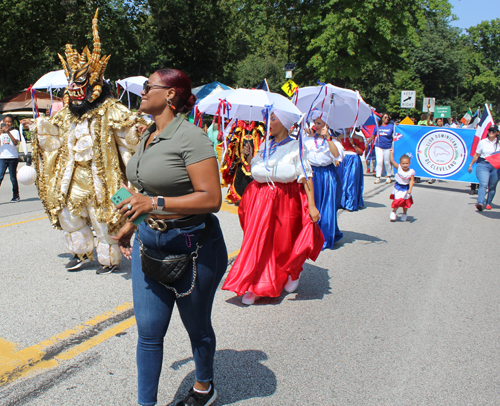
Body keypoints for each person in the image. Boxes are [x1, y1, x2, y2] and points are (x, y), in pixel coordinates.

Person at [113, 68, 227, 406]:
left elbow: (212, 199)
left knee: (197, 327)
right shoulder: (148, 134)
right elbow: (146, 187)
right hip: (150, 242)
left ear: (171, 95)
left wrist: (154, 203)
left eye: (150, 87)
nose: (143, 91)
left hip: (194, 247)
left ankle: (204, 387)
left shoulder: (192, 137)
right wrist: (133, 222)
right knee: (148, 333)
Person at [32, 10, 145, 275]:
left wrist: (137, 131)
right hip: (72, 178)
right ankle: (81, 252)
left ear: (94, 83)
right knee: (70, 217)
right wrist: (40, 129)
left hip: (104, 179)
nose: (72, 88)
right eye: (70, 82)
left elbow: (128, 141)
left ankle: (108, 258)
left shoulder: (111, 110)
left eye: (79, 82)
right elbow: (54, 141)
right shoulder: (65, 115)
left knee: (103, 219)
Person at [222, 111, 324, 305]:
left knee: (283, 243)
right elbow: (257, 169)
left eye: (273, 119)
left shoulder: (296, 146)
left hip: (286, 199)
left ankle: (291, 272)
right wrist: (252, 157)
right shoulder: (266, 145)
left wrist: (311, 205)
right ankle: (256, 285)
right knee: (259, 243)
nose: (268, 123)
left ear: (285, 123)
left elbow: (306, 176)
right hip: (260, 200)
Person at [304, 113, 344, 249]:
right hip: (311, 174)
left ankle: (324, 237)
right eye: (315, 122)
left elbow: (336, 155)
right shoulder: (307, 140)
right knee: (311, 204)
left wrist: (328, 138)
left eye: (320, 123)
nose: (316, 125)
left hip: (326, 174)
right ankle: (309, 236)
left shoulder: (334, 142)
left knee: (326, 205)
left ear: (327, 126)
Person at [468, 125, 500, 211]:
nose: (491, 132)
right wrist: (471, 164)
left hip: (496, 166)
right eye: (490, 130)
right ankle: (480, 203)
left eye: (493, 131)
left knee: (492, 186)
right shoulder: (483, 142)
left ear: (497, 132)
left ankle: (488, 203)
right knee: (483, 184)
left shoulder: (499, 142)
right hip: (483, 164)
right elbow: (477, 154)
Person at [339, 128, 365, 211]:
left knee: (352, 181)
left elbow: (360, 152)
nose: (347, 129)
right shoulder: (340, 137)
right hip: (343, 160)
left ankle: (351, 203)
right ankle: (341, 202)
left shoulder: (359, 138)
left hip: (354, 160)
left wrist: (353, 144)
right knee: (342, 181)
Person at [388, 150, 415, 221]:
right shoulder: (399, 168)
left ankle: (404, 214)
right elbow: (393, 161)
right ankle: (393, 211)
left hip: (406, 188)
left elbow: (411, 180)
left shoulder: (411, 171)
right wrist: (392, 153)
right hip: (398, 187)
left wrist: (410, 189)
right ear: (400, 163)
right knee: (397, 201)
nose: (405, 165)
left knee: (405, 202)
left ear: (409, 163)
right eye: (403, 163)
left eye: (407, 163)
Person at [368, 113, 394, 184]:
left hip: (388, 146)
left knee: (387, 162)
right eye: (385, 117)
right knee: (379, 162)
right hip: (379, 146)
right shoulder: (377, 127)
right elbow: (373, 136)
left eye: (388, 118)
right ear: (382, 118)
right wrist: (367, 143)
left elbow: (395, 135)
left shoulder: (391, 126)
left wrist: (393, 146)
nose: (386, 119)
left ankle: (388, 176)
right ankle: (378, 177)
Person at [0, 114, 21, 202]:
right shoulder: (1, 133)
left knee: (12, 177)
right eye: (6, 122)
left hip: (12, 157)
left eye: (9, 122)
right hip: (2, 157)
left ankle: (16, 195)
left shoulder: (15, 131)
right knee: (0, 176)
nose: (7, 123)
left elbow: (15, 142)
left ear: (12, 123)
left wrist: (8, 132)